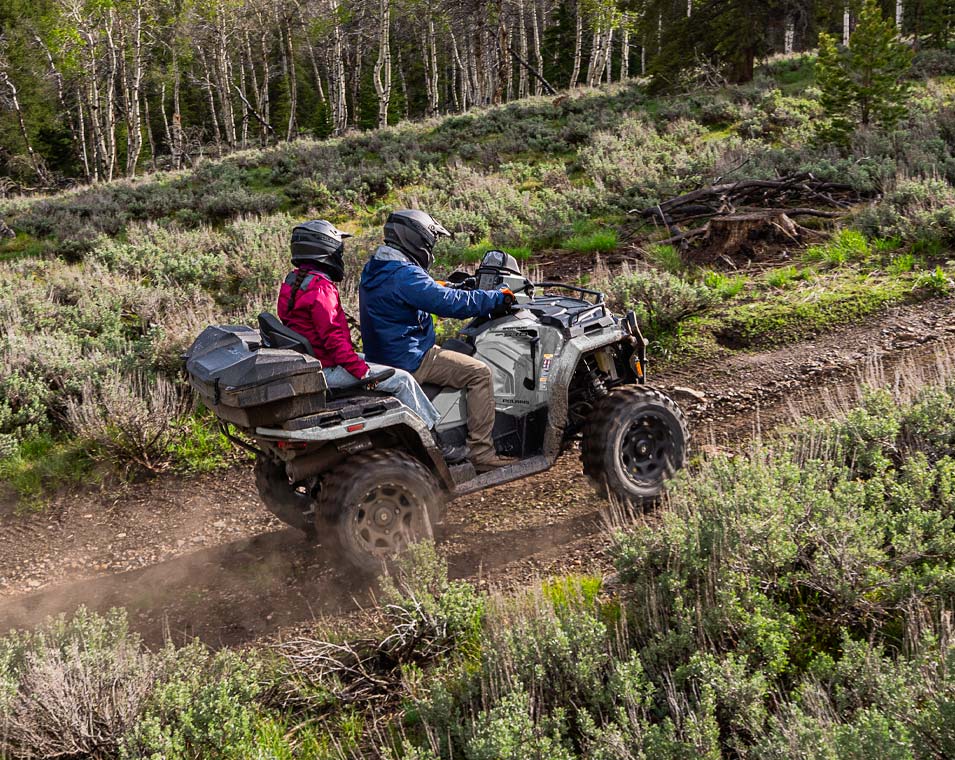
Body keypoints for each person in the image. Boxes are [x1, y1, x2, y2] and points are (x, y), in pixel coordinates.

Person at [277, 220, 465, 463]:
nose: (340, 254)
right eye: (338, 250)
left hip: (317, 361)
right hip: (328, 366)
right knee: (402, 379)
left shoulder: (293, 282)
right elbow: (333, 339)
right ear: (324, 249)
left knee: (382, 366)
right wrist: (362, 372)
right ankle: (435, 441)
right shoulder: (321, 288)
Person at [359, 209, 516, 473]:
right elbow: (449, 304)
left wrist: (447, 286)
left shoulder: (376, 267)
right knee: (479, 373)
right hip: (411, 358)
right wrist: (497, 297)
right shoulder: (404, 275)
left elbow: (422, 291)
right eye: (430, 240)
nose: (431, 246)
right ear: (416, 238)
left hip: (384, 354)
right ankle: (482, 453)